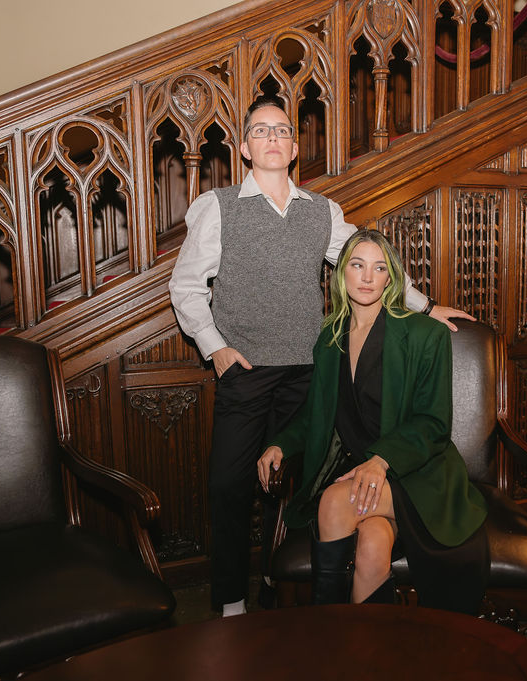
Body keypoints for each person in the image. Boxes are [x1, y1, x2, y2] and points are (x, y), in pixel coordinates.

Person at [168, 94, 473, 617]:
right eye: (260, 131)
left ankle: (274, 582)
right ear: (244, 147)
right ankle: (231, 604)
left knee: (289, 486)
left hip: (309, 372)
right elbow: (186, 287)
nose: (272, 138)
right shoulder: (217, 208)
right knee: (229, 486)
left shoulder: (322, 212)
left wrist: (424, 306)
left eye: (281, 131)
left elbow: (367, 264)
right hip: (244, 369)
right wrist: (215, 350)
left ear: (292, 149)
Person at [257, 230, 488, 613]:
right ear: (340, 274)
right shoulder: (330, 336)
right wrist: (280, 443)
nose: (367, 277)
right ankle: (364, 656)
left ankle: (324, 635)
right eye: (357, 265)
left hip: (418, 475)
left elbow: (433, 423)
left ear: (391, 277)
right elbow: (317, 412)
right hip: (361, 469)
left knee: (333, 501)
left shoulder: (424, 334)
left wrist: (381, 460)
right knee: (372, 547)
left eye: (379, 268)